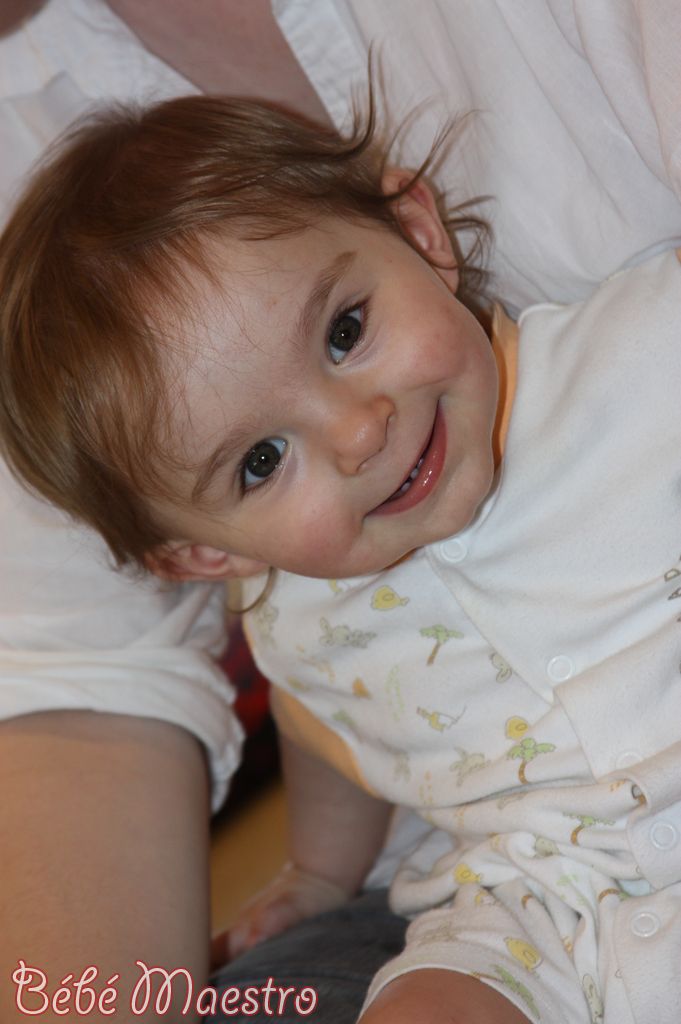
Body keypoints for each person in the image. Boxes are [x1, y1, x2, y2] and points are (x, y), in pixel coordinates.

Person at [1, 2, 680, 1023]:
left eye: (345, 331)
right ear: (199, 555)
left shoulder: (636, 351)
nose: (359, 432)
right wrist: (319, 873)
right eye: (261, 461)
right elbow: (327, 729)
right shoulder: (298, 616)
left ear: (418, 234)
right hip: (541, 894)